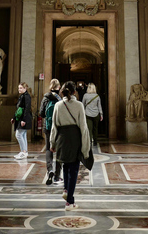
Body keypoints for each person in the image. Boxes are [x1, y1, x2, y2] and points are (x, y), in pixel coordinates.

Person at [50, 81, 90, 211]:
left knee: (66, 166)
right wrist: (85, 148)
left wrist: (52, 143)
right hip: (74, 139)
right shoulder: (79, 105)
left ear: (62, 91)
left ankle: (66, 190)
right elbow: (83, 128)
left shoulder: (58, 105)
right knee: (73, 170)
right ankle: (70, 202)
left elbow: (54, 127)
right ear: (74, 92)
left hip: (62, 138)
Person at [39, 78, 63, 185]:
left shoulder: (46, 97)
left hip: (48, 127)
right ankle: (57, 176)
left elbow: (41, 113)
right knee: (59, 150)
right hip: (59, 127)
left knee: (48, 149)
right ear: (59, 87)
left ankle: (50, 170)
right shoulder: (60, 99)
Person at [11, 82, 32, 159]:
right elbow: (18, 109)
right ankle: (24, 151)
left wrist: (24, 120)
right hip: (21, 118)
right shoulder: (22, 96)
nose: (19, 89)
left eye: (20, 88)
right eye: (18, 88)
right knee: (23, 135)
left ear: (25, 88)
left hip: (24, 118)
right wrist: (14, 117)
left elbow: (27, 109)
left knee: (18, 134)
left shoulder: (26, 97)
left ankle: (23, 152)